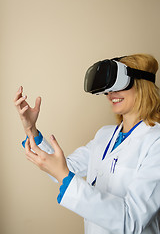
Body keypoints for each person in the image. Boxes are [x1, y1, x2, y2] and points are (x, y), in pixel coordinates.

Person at [14, 54, 160, 234]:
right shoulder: (104, 135)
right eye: (108, 88)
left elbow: (132, 220)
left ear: (142, 85)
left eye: (118, 85)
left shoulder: (156, 141)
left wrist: (62, 173)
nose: (110, 94)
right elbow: (65, 168)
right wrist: (31, 129)